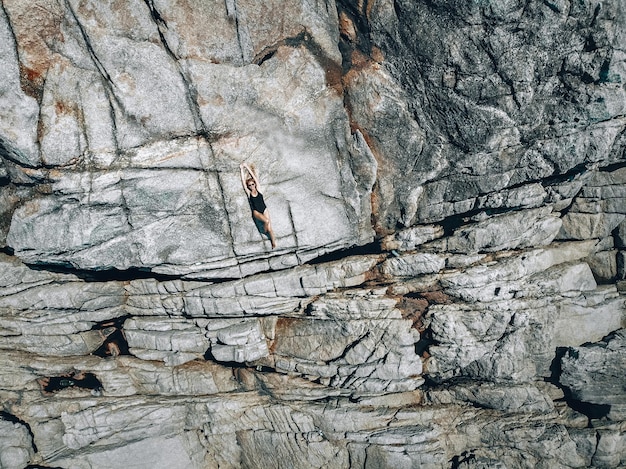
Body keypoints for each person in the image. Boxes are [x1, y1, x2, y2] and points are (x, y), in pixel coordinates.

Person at [240, 162, 277, 248]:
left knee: (270, 229)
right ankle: (264, 231)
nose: (252, 186)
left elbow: (254, 178)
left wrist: (247, 167)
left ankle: (273, 243)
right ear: (248, 186)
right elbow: (243, 182)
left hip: (264, 209)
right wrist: (241, 169)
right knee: (267, 222)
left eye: (253, 184)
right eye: (250, 185)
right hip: (256, 212)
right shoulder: (249, 193)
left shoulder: (259, 189)